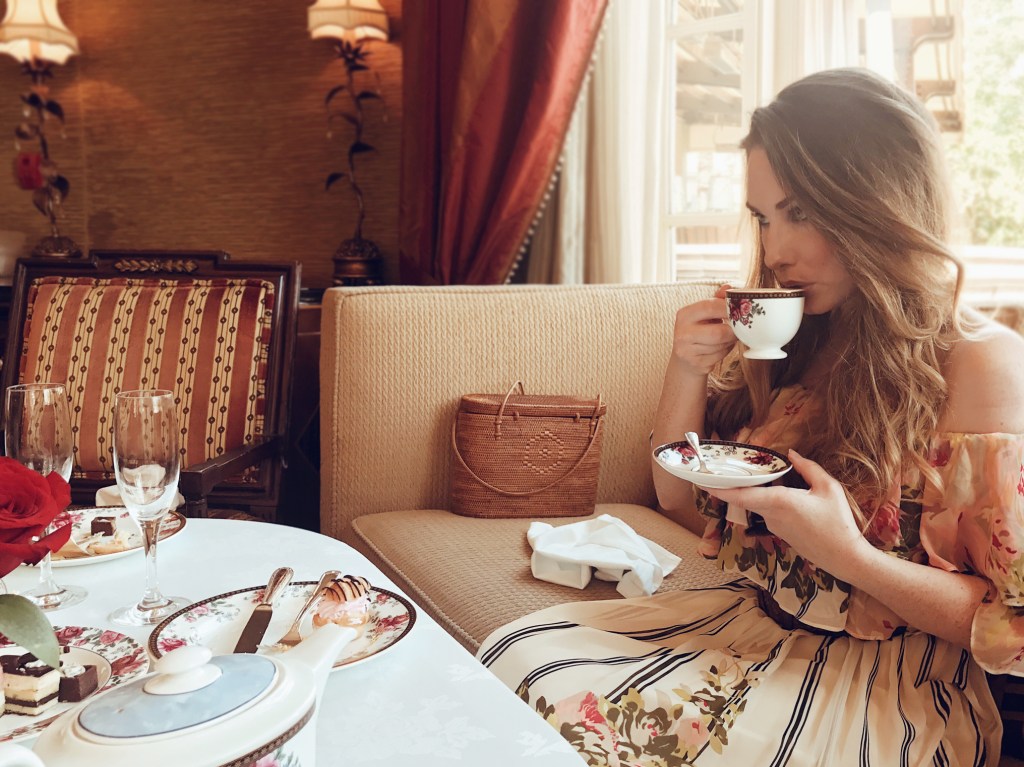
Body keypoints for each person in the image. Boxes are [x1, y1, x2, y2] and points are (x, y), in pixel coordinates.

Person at [476, 68, 1024, 765]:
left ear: (878, 202)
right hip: (754, 634)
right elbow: (676, 497)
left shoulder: (980, 362)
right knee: (514, 662)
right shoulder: (807, 339)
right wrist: (686, 367)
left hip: (884, 685)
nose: (776, 251)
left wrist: (851, 557)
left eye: (802, 213)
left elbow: (1015, 626)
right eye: (764, 218)